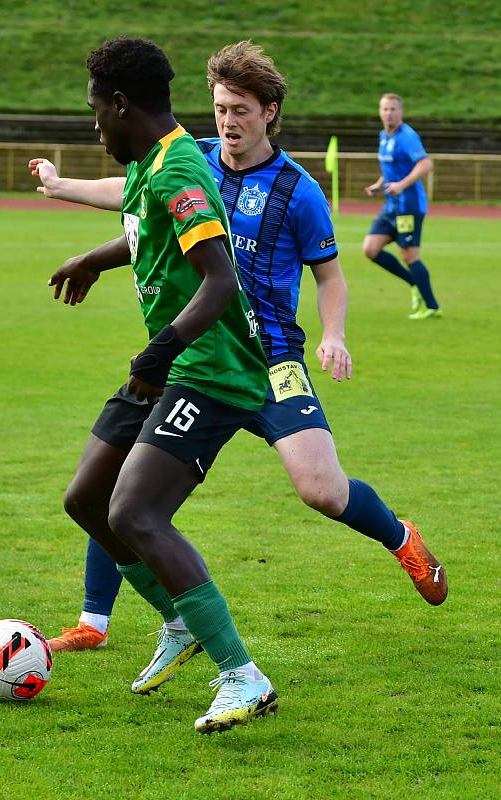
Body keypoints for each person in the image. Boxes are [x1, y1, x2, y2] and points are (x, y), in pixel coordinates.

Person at [30, 42, 447, 665]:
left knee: (321, 491)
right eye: (220, 107)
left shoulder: (298, 191)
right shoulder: (193, 158)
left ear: (269, 113)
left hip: (271, 358)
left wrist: (333, 335)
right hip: (202, 351)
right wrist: (63, 188)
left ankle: (401, 538)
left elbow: (330, 276)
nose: (227, 121)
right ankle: (96, 618)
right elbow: (137, 201)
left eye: (241, 110)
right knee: (122, 479)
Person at [49, 36, 280, 734]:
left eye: (96, 114)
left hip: (209, 368)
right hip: (171, 363)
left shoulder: (179, 165)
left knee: (136, 515)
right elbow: (147, 234)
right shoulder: (154, 162)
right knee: (87, 499)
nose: (95, 128)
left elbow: (219, 279)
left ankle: (243, 677)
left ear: (121, 104)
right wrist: (93, 257)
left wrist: (158, 352)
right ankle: (178, 620)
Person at [362, 93, 441, 320]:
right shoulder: (384, 136)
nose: (389, 113)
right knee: (370, 249)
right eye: (385, 109)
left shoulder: (407, 136)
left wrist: (402, 185)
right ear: (380, 111)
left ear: (401, 112)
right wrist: (379, 184)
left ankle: (432, 306)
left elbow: (426, 164)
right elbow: (394, 169)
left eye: (393, 109)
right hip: (391, 205)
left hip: (408, 206)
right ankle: (413, 283)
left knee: (409, 255)